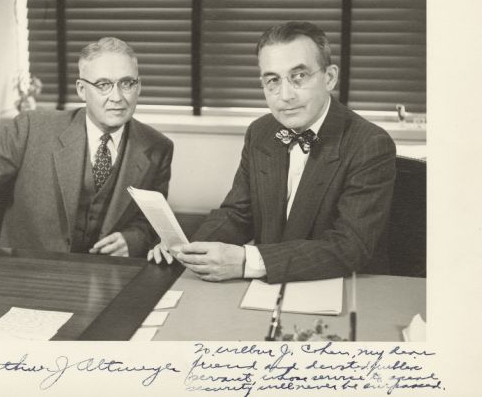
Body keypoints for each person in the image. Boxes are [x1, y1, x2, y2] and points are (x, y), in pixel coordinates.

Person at [149, 21, 396, 283]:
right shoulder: (261, 132)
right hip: (270, 288)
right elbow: (237, 213)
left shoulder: (370, 144)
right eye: (272, 80)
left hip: (344, 288)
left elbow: (350, 247)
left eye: (299, 77)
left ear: (330, 77)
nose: (285, 95)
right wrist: (192, 249)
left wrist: (248, 261)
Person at [0, 37, 173, 258]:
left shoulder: (157, 147)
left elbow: (151, 222)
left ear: (138, 87)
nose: (117, 97)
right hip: (27, 274)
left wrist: (132, 239)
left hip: (106, 276)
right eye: (103, 85)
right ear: (82, 90)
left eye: (127, 83)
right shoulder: (32, 129)